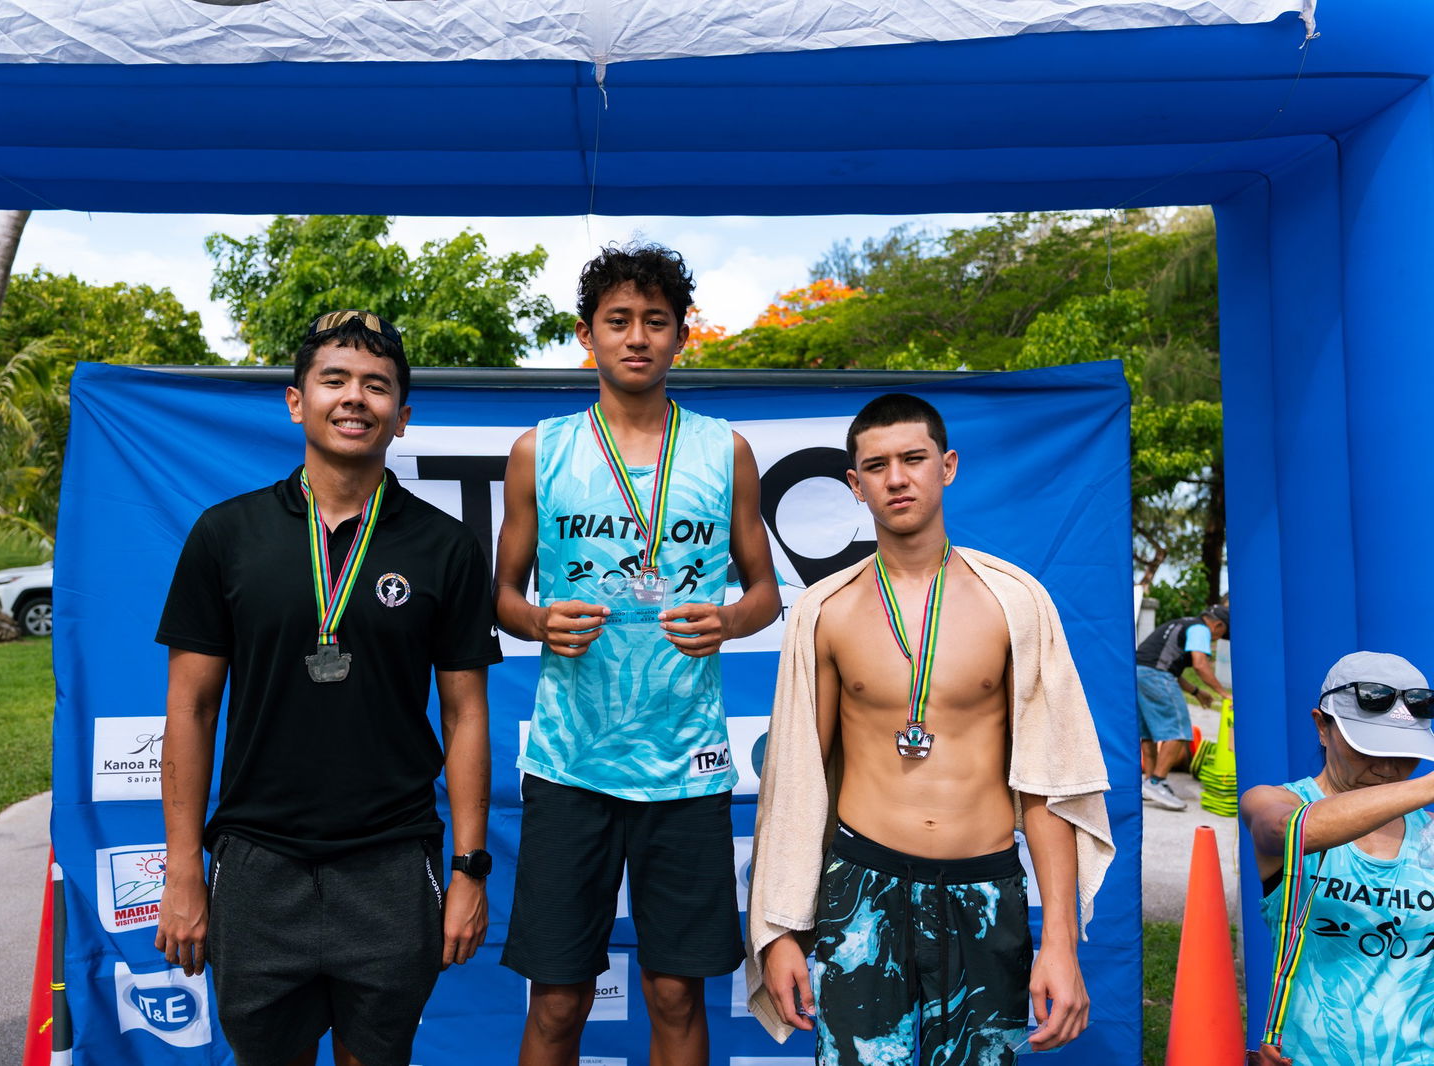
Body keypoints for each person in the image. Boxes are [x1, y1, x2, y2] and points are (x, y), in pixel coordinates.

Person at [153, 310, 500, 1066]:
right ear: (296, 400)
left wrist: (470, 870)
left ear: (401, 417)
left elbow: (467, 714)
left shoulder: (445, 547)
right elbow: (191, 707)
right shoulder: (226, 535)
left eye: (377, 386)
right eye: (334, 379)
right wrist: (182, 868)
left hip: (392, 864)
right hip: (256, 865)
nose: (354, 398)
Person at [746, 393, 1114, 1065]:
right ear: (855, 486)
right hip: (864, 885)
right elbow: (797, 785)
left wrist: (1058, 941)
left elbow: (1048, 783)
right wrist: (778, 934)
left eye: (913, 459)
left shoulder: (1016, 601)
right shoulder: (825, 611)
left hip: (985, 887)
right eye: (877, 465)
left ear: (947, 466)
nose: (897, 478)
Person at [493, 243, 782, 1066]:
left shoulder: (725, 451)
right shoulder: (538, 451)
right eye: (618, 320)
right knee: (557, 997)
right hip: (569, 762)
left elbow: (764, 592)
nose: (637, 337)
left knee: (674, 991)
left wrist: (727, 622)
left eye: (656, 321)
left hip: (685, 765)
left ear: (680, 337)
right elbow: (502, 596)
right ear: (587, 335)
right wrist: (538, 621)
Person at [1240, 650, 1434, 1063]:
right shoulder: (1274, 802)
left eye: (1404, 751)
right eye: (1370, 747)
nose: (1388, 766)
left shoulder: (1429, 832)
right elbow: (1290, 832)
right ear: (1321, 727)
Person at [1136, 604, 1230, 810]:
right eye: (1222, 634)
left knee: (1149, 733)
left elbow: (1170, 667)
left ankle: (1148, 783)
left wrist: (1197, 693)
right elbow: (1200, 664)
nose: (1217, 639)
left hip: (1138, 673)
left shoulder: (1183, 623)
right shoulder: (1200, 629)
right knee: (1179, 730)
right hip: (1155, 675)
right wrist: (1223, 694)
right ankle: (1156, 782)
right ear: (1218, 625)